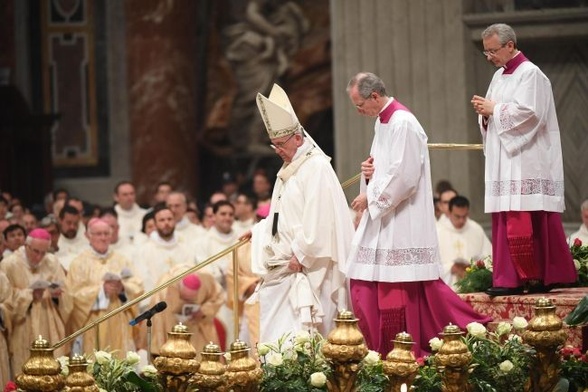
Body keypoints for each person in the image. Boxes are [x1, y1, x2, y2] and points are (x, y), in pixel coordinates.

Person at [346, 72, 491, 357]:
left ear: (375, 96)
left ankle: (400, 349)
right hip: (386, 217)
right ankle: (380, 348)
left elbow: (406, 177)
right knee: (363, 284)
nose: (358, 111)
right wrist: (368, 174)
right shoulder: (382, 123)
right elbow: (386, 169)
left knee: (397, 292)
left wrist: (370, 196)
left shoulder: (404, 123)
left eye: (359, 104)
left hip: (402, 220)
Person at [471, 23, 577, 296]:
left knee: (527, 217)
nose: (489, 57)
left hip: (526, 160)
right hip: (505, 161)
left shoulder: (532, 75)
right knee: (507, 217)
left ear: (510, 45)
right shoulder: (499, 77)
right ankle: (510, 279)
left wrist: (494, 108)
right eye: (486, 52)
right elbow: (495, 113)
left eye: (493, 51)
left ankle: (537, 276)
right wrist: (485, 114)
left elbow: (531, 114)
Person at [251, 83, 354, 343]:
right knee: (278, 341)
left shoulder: (316, 167)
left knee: (307, 336)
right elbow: (280, 215)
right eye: (273, 145)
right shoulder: (287, 169)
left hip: (309, 267)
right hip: (285, 267)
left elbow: (319, 217)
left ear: (298, 138)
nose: (278, 151)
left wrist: (302, 252)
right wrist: (259, 230)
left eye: (281, 144)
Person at [66, 218, 144, 356]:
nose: (103, 238)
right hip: (93, 323)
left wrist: (122, 288)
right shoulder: (79, 263)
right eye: (98, 234)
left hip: (119, 320)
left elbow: (137, 285)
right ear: (88, 236)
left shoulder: (122, 259)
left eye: (106, 234)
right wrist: (101, 291)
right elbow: (72, 295)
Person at [0, 228, 73, 374]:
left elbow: (67, 293)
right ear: (26, 246)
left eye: (43, 252)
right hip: (22, 327)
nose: (39, 257)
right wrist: (29, 295)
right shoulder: (9, 264)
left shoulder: (52, 261)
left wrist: (56, 295)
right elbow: (5, 299)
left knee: (53, 373)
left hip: (49, 324)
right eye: (35, 251)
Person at [149, 266, 224, 357]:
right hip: (171, 326)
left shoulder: (206, 279)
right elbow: (160, 321)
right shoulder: (166, 289)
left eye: (192, 299)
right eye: (185, 298)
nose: (188, 302)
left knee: (202, 356)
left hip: (197, 326)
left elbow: (219, 296)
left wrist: (204, 310)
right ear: (180, 287)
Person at [436, 196, 492, 289]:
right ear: (449, 213)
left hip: (473, 287)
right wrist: (451, 268)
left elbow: (489, 257)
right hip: (448, 289)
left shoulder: (476, 229)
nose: (462, 220)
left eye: (465, 216)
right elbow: (432, 266)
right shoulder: (437, 231)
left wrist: (474, 268)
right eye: (457, 216)